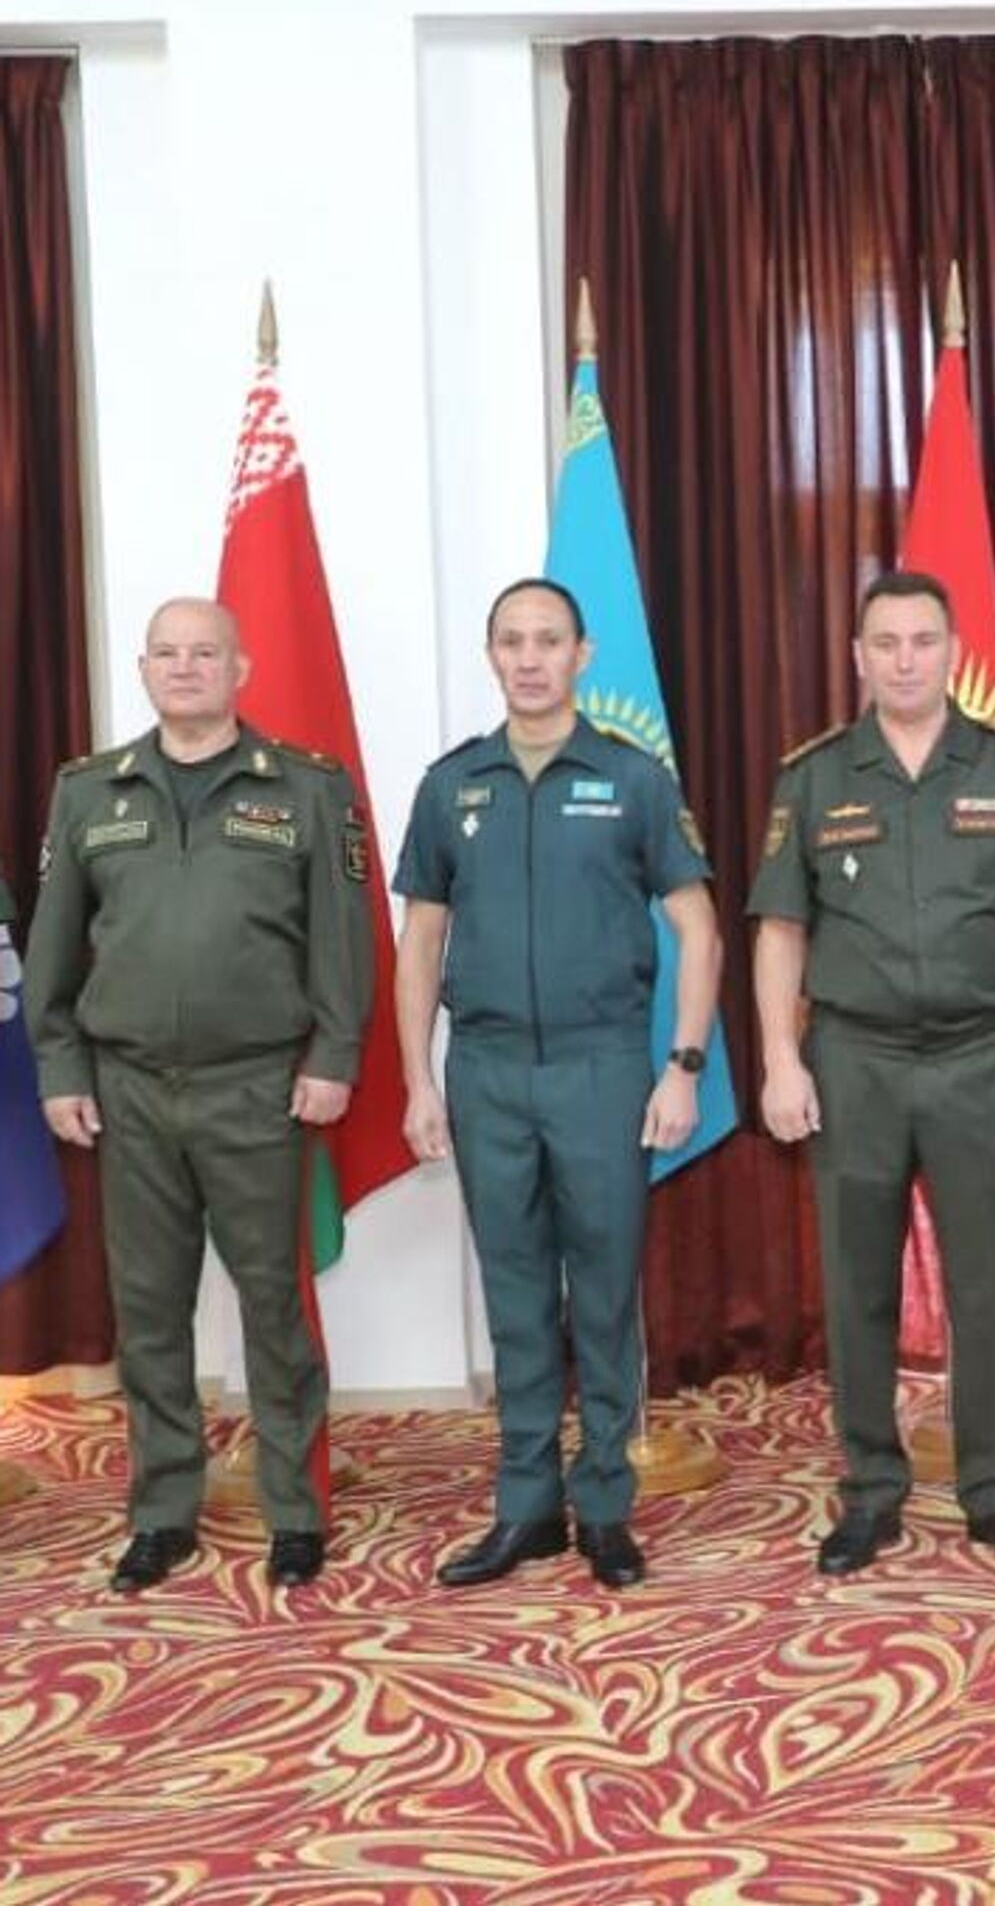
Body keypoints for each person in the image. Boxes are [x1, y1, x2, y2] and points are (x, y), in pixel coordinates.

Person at [25, 597, 372, 1591]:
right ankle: (162, 1511)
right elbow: (53, 947)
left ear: (240, 668)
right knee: (148, 1310)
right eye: (167, 653)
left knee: (273, 1306)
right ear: (144, 670)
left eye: (205, 653)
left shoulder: (305, 788)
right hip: (129, 1090)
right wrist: (60, 1068)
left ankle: (293, 1507)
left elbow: (342, 938)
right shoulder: (89, 792)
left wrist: (334, 1055)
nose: (185, 668)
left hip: (258, 1086)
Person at [748, 569, 995, 1576]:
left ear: (952, 651)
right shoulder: (815, 777)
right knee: (857, 1283)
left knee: (988, 1283)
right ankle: (870, 1491)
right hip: (855, 1058)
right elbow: (780, 929)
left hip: (985, 1057)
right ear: (859, 656)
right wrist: (779, 1059)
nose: (905, 660)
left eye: (923, 641)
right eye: (886, 643)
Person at [393, 577, 721, 1590]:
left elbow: (699, 929)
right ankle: (527, 1506)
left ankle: (606, 1506)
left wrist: (684, 1066)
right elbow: (420, 943)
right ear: (491, 656)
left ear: (582, 655)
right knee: (517, 1292)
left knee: (605, 1292)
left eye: (548, 641)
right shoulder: (452, 785)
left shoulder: (632, 779)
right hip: (487, 1071)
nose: (529, 659)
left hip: (601, 1067)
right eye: (511, 641)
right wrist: (417, 1082)